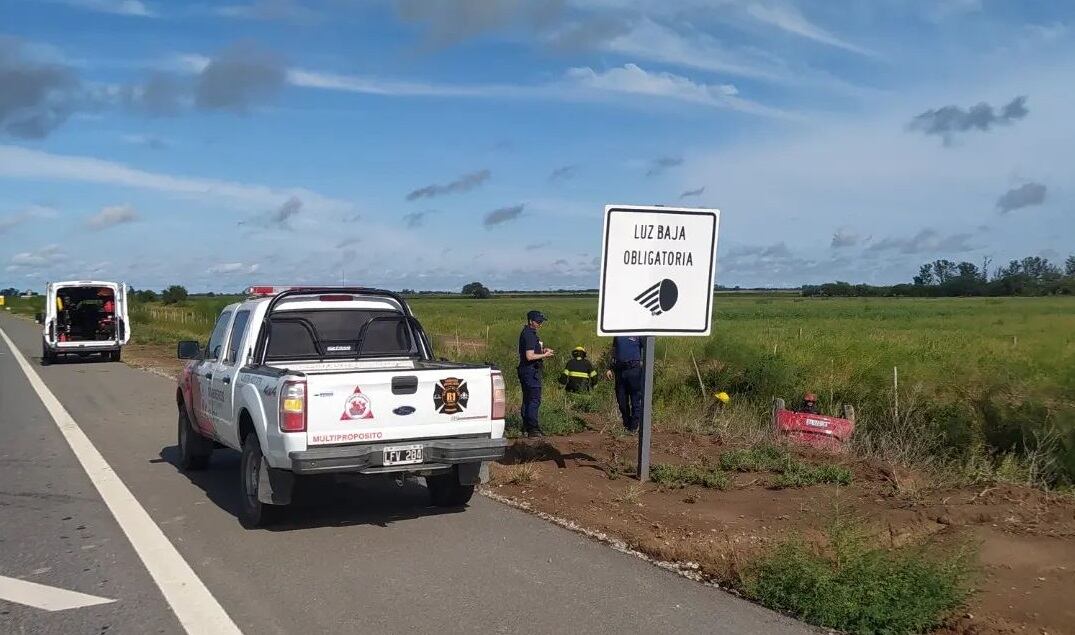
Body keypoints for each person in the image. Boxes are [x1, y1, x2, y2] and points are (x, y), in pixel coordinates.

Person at [518, 310, 554, 437]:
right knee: (534, 400)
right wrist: (545, 355)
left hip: (528, 371)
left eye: (541, 321)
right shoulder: (529, 335)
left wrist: (543, 350)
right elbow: (529, 356)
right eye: (538, 321)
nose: (540, 324)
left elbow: (532, 350)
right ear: (530, 321)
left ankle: (527, 427)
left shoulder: (530, 333)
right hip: (530, 372)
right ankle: (533, 429)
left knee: (528, 399)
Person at [604, 336, 644, 432]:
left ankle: (634, 427)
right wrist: (609, 367)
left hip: (634, 369)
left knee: (635, 399)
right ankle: (627, 423)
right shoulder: (618, 333)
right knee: (621, 400)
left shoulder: (638, 333)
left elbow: (646, 349)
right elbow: (614, 350)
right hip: (620, 370)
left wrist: (643, 364)